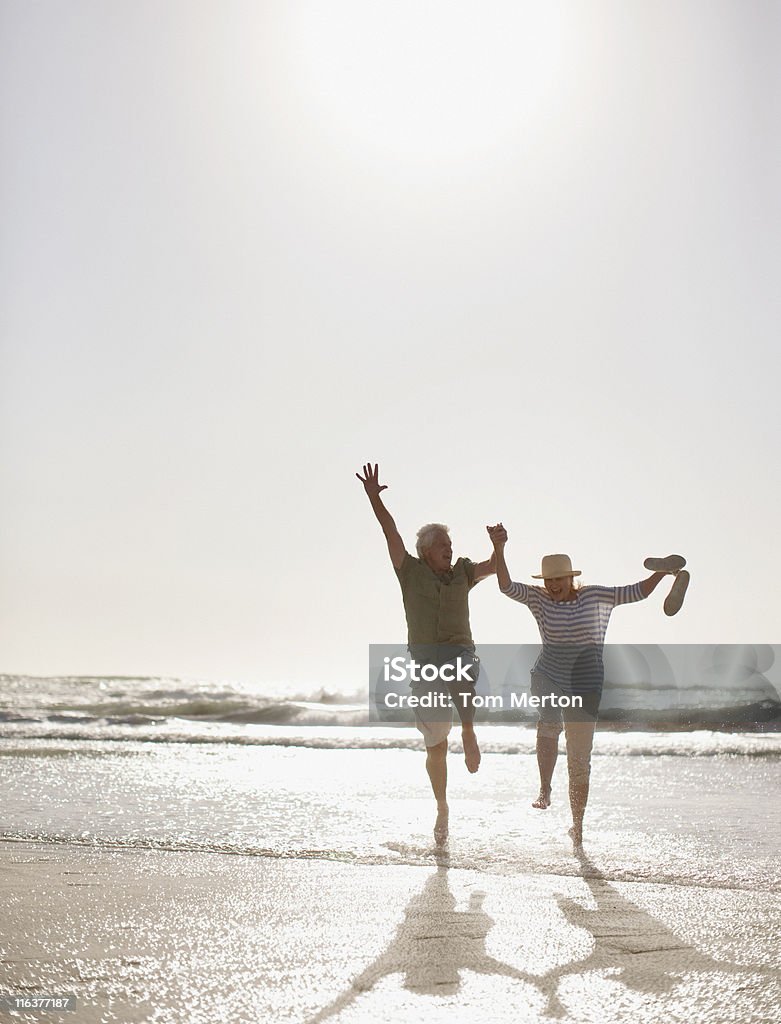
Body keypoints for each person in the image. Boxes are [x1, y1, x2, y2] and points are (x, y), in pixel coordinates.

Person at [486, 523, 689, 847]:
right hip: (548, 676)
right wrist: (499, 549)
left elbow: (636, 591)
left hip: (585, 685)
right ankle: (544, 789)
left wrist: (663, 575)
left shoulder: (595, 596)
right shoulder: (538, 599)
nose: (553, 585)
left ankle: (577, 826)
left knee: (579, 762)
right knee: (549, 726)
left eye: (559, 579)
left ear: (571, 578)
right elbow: (507, 586)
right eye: (549, 580)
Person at [357, 463, 496, 845]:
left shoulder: (463, 574)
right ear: (425, 552)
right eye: (443, 547)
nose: (449, 551)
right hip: (425, 665)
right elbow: (390, 531)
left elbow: (494, 567)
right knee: (435, 747)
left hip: (460, 654)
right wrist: (374, 498)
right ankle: (442, 807)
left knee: (462, 667)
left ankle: (468, 729)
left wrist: (499, 547)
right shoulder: (410, 572)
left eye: (451, 547)